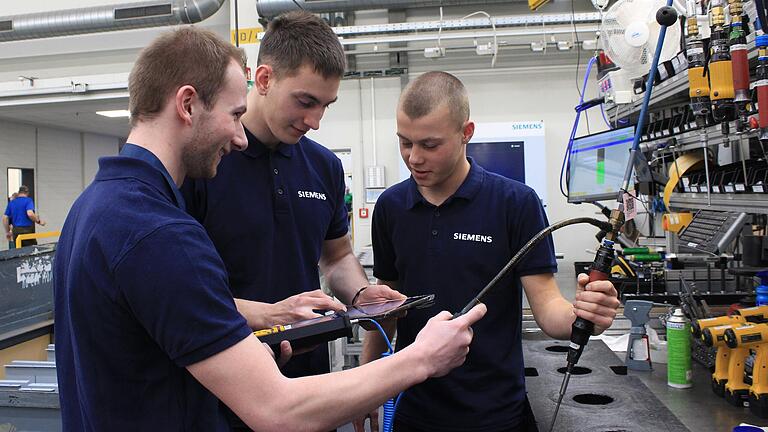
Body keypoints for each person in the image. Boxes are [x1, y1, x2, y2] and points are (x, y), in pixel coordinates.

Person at [53, 27, 486, 431]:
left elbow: (168, 312)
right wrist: (421, 358)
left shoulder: (91, 210)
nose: (240, 138)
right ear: (187, 105)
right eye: (234, 113)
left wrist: (269, 318)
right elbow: (276, 408)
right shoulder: (160, 233)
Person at [355, 72, 621, 432]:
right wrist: (364, 387)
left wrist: (583, 314)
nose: (413, 158)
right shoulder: (391, 207)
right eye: (405, 142)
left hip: (495, 414)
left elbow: (548, 309)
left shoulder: (516, 204)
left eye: (430, 145)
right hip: (412, 407)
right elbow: (386, 307)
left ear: (466, 133)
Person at [180, 10, 404, 413]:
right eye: (305, 102)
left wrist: (360, 294)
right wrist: (266, 316)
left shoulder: (324, 167)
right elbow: (180, 293)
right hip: (222, 383)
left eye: (325, 105)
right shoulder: (205, 162)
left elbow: (335, 256)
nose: (315, 121)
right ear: (264, 80)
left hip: (309, 378)